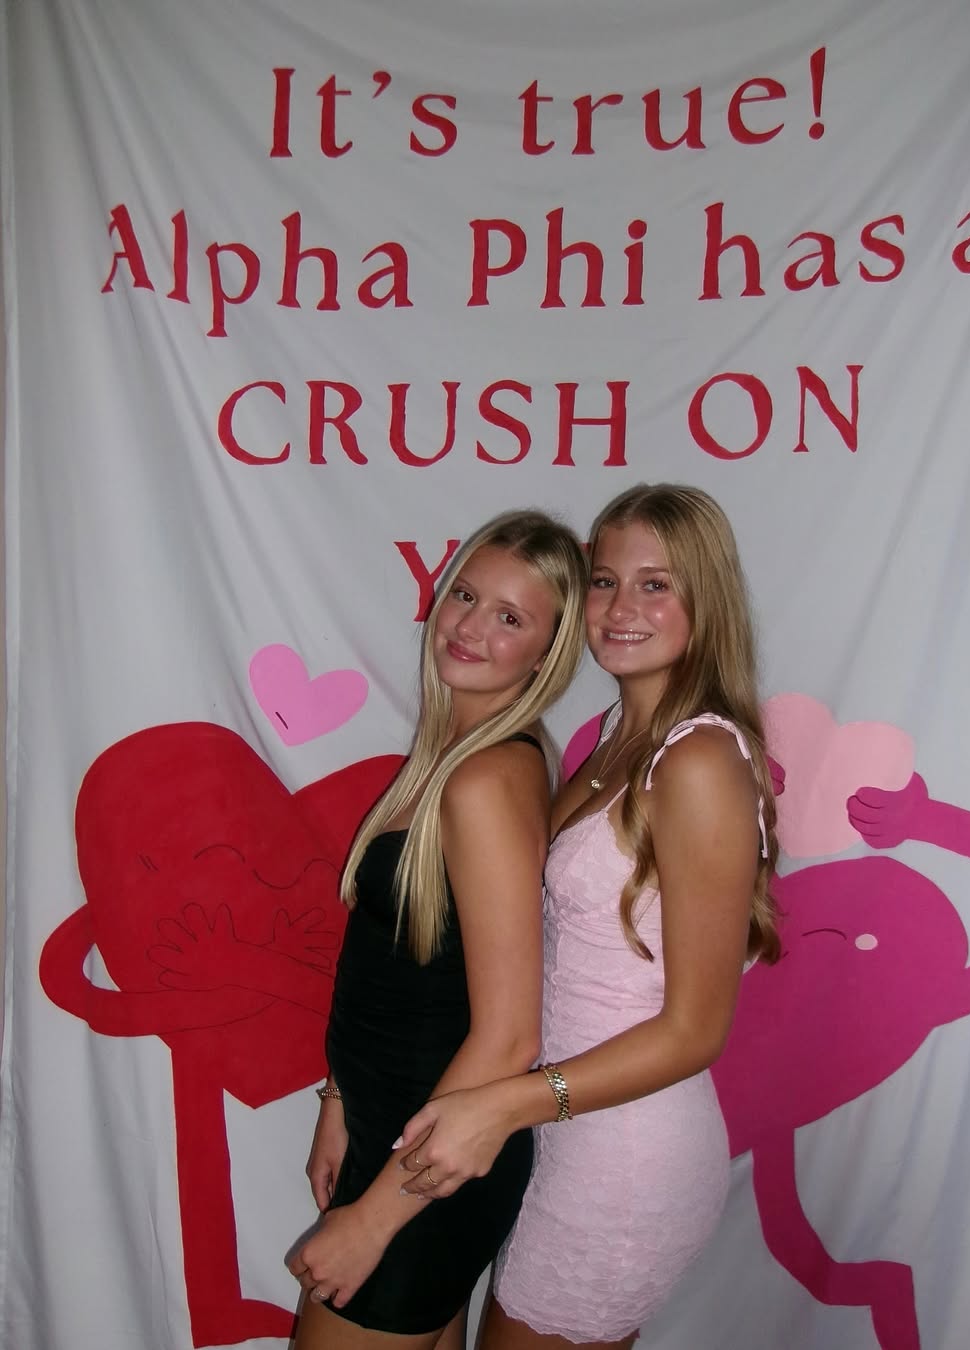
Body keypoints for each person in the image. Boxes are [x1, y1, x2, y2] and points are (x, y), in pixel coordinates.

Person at [396, 483, 780, 1349]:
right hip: (561, 1132)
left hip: (625, 1155)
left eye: (656, 584)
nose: (620, 606)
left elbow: (695, 1031)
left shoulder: (699, 761)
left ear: (706, 599)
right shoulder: (614, 738)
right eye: (605, 581)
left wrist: (505, 1105)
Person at [288, 509, 589, 1350]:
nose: (469, 626)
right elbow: (404, 972)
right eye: (466, 595)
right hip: (401, 1138)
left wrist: (374, 1220)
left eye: (510, 617)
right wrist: (341, 1099)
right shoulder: (453, 758)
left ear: (546, 653)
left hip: (429, 1170)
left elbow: (509, 1036)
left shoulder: (485, 781)